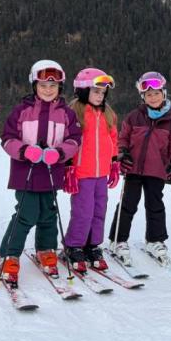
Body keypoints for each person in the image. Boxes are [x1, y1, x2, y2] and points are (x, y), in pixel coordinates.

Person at [0, 60, 81, 285]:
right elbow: (7, 140)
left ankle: (46, 249)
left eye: (52, 86)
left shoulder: (66, 114)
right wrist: (24, 151)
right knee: (26, 214)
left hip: (52, 173)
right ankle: (9, 254)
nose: (47, 90)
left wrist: (60, 153)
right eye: (42, 85)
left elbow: (74, 140)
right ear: (34, 85)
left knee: (48, 214)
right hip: (26, 173)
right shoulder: (21, 111)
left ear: (60, 87)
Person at [108, 72, 171, 266]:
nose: (153, 97)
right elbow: (122, 138)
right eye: (148, 95)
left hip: (157, 169)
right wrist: (122, 153)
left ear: (164, 94)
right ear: (143, 97)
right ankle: (118, 240)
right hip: (133, 168)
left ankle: (155, 240)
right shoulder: (134, 117)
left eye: (157, 93)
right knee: (127, 205)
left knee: (155, 205)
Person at [61, 68, 119, 272]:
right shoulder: (74, 112)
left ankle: (92, 245)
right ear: (83, 91)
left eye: (103, 93)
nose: (100, 96)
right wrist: (68, 166)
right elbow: (67, 140)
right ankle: (74, 245)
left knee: (99, 210)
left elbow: (113, 139)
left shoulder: (108, 113)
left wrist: (114, 162)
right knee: (83, 212)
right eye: (96, 91)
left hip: (101, 173)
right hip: (82, 173)